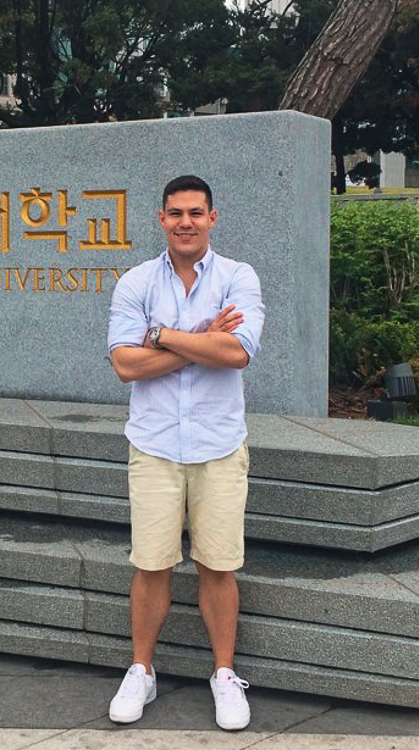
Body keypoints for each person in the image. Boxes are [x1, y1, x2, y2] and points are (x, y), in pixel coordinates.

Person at [104, 175, 265, 731]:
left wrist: (163, 335)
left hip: (219, 446)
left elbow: (238, 352)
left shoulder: (238, 277)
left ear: (212, 218)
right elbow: (125, 365)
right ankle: (142, 669)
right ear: (161, 218)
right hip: (153, 447)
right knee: (151, 565)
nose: (186, 222)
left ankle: (224, 674)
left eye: (196, 212)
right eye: (175, 213)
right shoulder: (136, 281)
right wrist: (199, 340)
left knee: (217, 566)